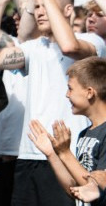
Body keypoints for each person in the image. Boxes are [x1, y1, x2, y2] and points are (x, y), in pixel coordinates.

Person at [0, 0, 105, 206]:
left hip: (69, 157)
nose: (39, 11)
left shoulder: (92, 41)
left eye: (46, 5)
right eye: (36, 6)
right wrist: (0, 3)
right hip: (29, 154)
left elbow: (69, 46)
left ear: (68, 10)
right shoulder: (34, 48)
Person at [28, 57, 106, 199]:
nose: (66, 94)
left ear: (89, 92)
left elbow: (97, 188)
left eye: (70, 88)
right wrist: (52, 154)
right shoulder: (85, 133)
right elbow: (75, 188)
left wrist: (65, 153)